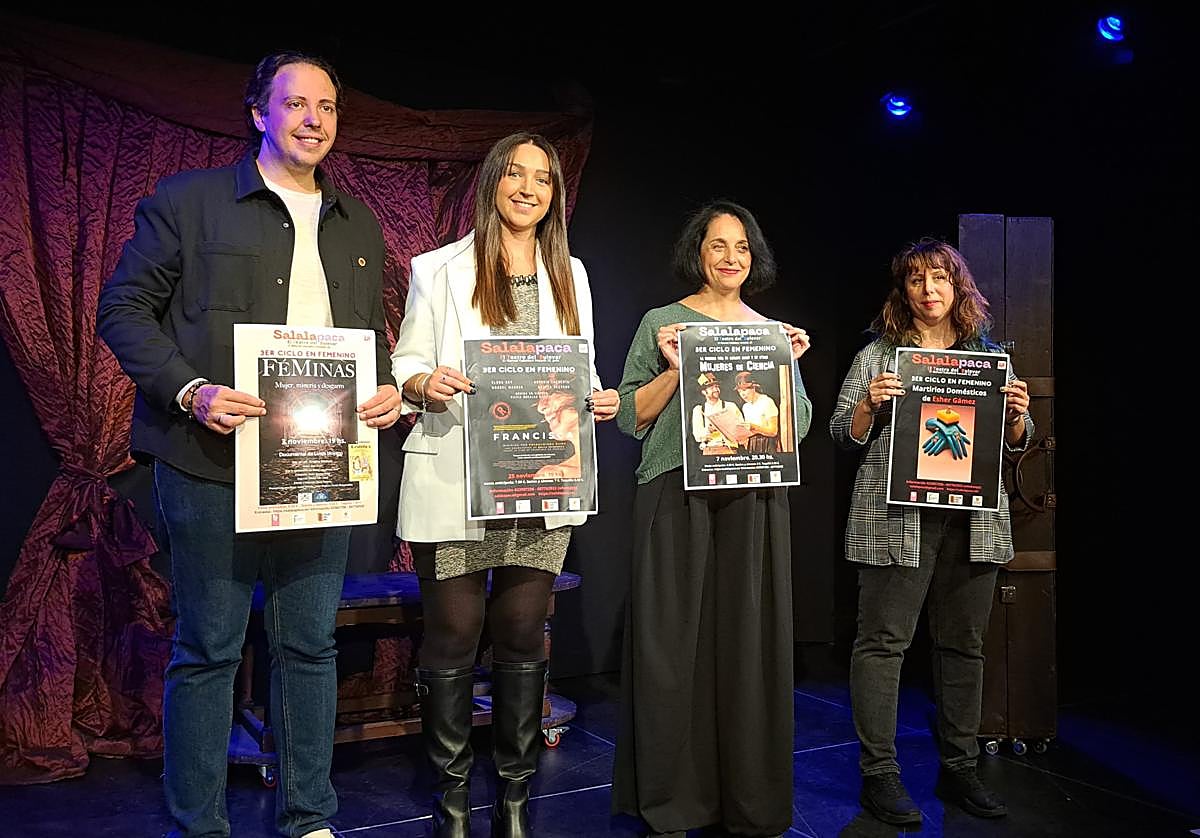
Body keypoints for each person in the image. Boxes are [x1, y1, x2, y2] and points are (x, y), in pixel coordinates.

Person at [96, 52, 400, 837]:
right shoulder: (188, 201)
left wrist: (388, 388)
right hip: (206, 462)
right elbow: (123, 310)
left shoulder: (358, 224)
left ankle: (309, 817)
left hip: (321, 466)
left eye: (328, 106)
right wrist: (190, 390)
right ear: (258, 112)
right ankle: (201, 824)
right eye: (295, 103)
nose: (313, 119)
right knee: (209, 647)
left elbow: (367, 342)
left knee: (309, 645)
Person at [389, 131, 620, 837]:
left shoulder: (570, 272)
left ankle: (516, 801)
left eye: (543, 179)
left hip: (541, 476)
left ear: (554, 194)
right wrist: (423, 382)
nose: (528, 188)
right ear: (492, 182)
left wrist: (598, 396)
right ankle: (451, 801)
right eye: (515, 175)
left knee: (523, 633)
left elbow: (574, 367)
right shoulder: (439, 267)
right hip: (459, 476)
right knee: (455, 635)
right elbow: (407, 361)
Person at [612, 200, 812, 836]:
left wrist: (789, 371)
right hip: (675, 490)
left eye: (743, 247)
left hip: (754, 495)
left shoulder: (771, 332)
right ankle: (674, 797)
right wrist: (676, 371)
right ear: (697, 252)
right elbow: (627, 416)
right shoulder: (663, 324)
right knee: (673, 645)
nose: (731, 257)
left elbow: (798, 424)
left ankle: (747, 798)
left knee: (748, 645)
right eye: (719, 245)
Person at [829, 238, 1032, 827]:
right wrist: (870, 404)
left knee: (964, 646)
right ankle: (879, 774)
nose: (929, 290)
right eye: (916, 280)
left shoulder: (986, 355)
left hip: (972, 520)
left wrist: (1017, 414)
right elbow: (843, 433)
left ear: (959, 287)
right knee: (883, 645)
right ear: (904, 291)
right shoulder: (880, 356)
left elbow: (1017, 440)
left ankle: (960, 767)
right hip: (896, 520)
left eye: (940, 278)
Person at [690, 371, 741, 453]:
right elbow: (697, 436)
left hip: (729, 450)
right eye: (711, 388)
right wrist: (708, 430)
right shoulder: (699, 410)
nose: (716, 390)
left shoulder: (730, 406)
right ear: (704, 392)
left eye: (717, 386)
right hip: (709, 450)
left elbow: (742, 428)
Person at [732, 370, 781, 453]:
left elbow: (773, 431)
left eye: (744, 390)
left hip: (767, 444)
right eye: (739, 391)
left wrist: (754, 427)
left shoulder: (767, 401)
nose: (742, 394)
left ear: (753, 388)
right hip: (752, 445)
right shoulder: (746, 407)